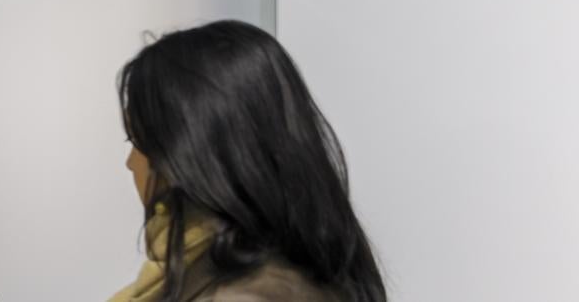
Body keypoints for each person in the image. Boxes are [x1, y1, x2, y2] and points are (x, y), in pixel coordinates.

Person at [111, 20, 386, 302]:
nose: (131, 163)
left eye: (136, 142)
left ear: (187, 151)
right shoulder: (290, 273)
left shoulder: (242, 293)